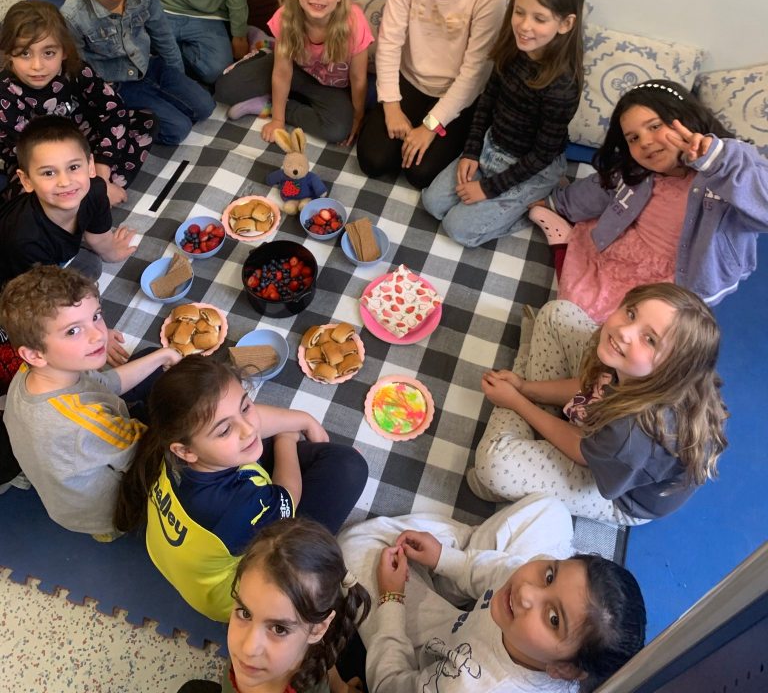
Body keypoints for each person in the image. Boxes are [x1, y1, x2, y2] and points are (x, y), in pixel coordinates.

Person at [114, 357, 369, 622]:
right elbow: (288, 494)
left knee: (165, 374)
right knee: (349, 468)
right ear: (185, 451)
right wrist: (286, 439)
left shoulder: (176, 448)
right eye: (225, 430)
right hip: (229, 597)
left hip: (187, 552)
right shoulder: (235, 507)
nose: (248, 429)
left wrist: (303, 420)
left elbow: (243, 424)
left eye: (245, 406)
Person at [469, 284, 728, 524]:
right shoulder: (629, 362)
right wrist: (525, 388)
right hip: (606, 431)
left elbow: (580, 448)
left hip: (619, 495)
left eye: (650, 339)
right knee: (556, 314)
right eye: (631, 313)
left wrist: (516, 401)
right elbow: (592, 386)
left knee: (494, 464)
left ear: (670, 371)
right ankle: (533, 427)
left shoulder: (632, 434)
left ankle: (525, 380)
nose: (624, 331)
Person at [338, 494, 646, 693]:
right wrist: (442, 557)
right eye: (551, 575)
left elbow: (389, 685)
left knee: (352, 546)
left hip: (446, 646)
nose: (526, 592)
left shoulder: (468, 685)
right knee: (551, 510)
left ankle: (450, 572)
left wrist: (392, 598)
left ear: (564, 668)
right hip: (474, 620)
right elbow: (502, 571)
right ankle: (450, 573)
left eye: (553, 618)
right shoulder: (529, 589)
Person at [530, 79, 768, 322]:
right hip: (626, 251)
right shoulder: (637, 170)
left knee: (636, 328)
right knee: (577, 302)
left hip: (680, 276)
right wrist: (556, 203)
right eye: (633, 138)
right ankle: (562, 247)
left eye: (654, 126)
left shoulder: (730, 163)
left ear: (685, 119)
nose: (644, 142)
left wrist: (719, 163)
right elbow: (601, 189)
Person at [0, 265, 180, 538]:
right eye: (73, 331)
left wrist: (162, 356)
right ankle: (116, 529)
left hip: (67, 496)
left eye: (96, 316)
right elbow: (148, 451)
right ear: (35, 354)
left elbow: (103, 385)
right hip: (112, 511)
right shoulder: (84, 421)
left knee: (151, 356)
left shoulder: (33, 371)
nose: (98, 335)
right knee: (185, 422)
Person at [422, 0, 583, 246]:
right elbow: (487, 101)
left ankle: (538, 204)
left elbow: (542, 154)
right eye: (519, 12)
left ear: (565, 24)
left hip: (532, 167)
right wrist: (471, 151)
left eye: (539, 19)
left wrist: (488, 188)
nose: (524, 26)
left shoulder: (563, 86)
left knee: (458, 229)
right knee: (432, 203)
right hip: (491, 146)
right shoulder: (512, 48)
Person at [356, 0, 507, 189]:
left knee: (420, 174)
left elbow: (474, 73)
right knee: (373, 160)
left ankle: (450, 134)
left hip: (457, 94)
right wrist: (391, 105)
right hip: (410, 81)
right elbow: (389, 42)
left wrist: (430, 126)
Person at [61, 0, 215, 146]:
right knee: (178, 129)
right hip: (115, 86)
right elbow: (77, 71)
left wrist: (178, 77)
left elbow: (164, 38)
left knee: (205, 106)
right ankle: (125, 122)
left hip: (149, 67)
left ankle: (160, 103)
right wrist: (105, 108)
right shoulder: (73, 15)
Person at [0, 0, 154, 206]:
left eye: (48, 53)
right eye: (25, 53)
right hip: (43, 165)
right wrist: (88, 181)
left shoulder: (77, 70)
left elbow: (113, 112)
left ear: (64, 51)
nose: (37, 66)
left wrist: (100, 173)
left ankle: (91, 195)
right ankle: (89, 199)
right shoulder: (4, 96)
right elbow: (26, 158)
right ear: (9, 53)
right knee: (25, 201)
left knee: (144, 121)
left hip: (86, 145)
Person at [216, 0, 373, 145]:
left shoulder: (354, 23)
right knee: (225, 89)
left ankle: (268, 104)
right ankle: (263, 48)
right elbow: (282, 73)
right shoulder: (286, 16)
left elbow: (358, 79)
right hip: (294, 69)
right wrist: (277, 121)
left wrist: (358, 117)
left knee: (337, 130)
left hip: (330, 86)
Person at [218, 518, 370, 693]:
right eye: (244, 613)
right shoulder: (257, 661)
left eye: (279, 629)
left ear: (318, 629)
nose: (248, 649)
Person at [0, 116, 137, 292]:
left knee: (91, 265)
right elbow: (33, 298)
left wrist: (111, 252)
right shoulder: (24, 240)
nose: (65, 182)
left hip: (44, 260)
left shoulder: (95, 190)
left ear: (90, 166)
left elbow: (99, 238)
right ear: (26, 180)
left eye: (73, 167)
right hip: (13, 283)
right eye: (48, 173)